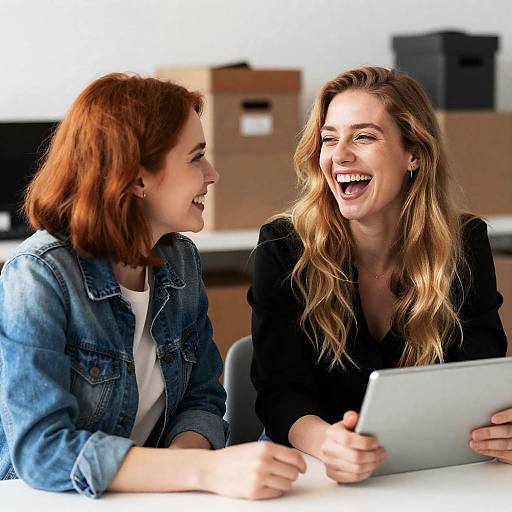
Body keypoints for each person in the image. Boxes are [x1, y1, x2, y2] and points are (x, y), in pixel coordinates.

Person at [0, 73, 306, 499]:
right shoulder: (38, 274)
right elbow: (42, 451)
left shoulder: (180, 261)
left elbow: (201, 399)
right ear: (137, 179)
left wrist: (191, 468)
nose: (212, 173)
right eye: (196, 157)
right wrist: (200, 471)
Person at [248, 66, 508, 483]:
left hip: (423, 470)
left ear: (414, 154)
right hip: (310, 468)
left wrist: (500, 431)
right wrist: (329, 443)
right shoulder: (283, 245)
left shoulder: (463, 242)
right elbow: (280, 393)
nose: (340, 155)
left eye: (364, 136)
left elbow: (477, 377)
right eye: (329, 138)